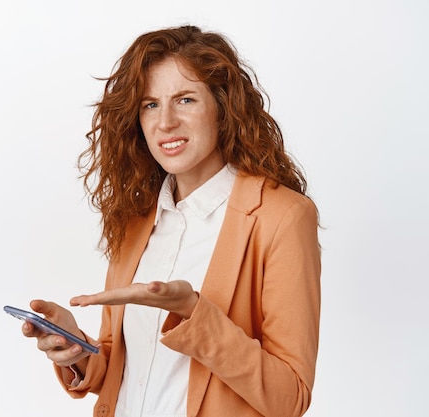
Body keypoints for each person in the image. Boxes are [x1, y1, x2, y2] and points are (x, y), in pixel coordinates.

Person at [21, 25, 321, 417]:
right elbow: (128, 369)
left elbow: (290, 399)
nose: (165, 122)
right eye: (150, 104)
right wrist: (77, 348)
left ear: (222, 108)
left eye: (185, 100)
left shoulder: (281, 216)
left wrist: (194, 312)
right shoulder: (136, 218)